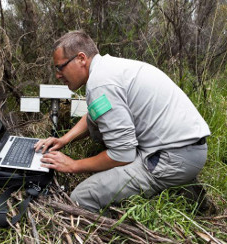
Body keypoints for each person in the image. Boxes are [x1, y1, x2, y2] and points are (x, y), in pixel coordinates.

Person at [34, 30, 211, 213]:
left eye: (60, 67)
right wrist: (64, 140)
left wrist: (73, 165)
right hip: (187, 149)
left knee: (81, 197)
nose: (58, 75)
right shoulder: (109, 68)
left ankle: (118, 223)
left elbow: (122, 155)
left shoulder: (101, 84)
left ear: (81, 58)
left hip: (171, 158)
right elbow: (94, 115)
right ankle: (187, 190)